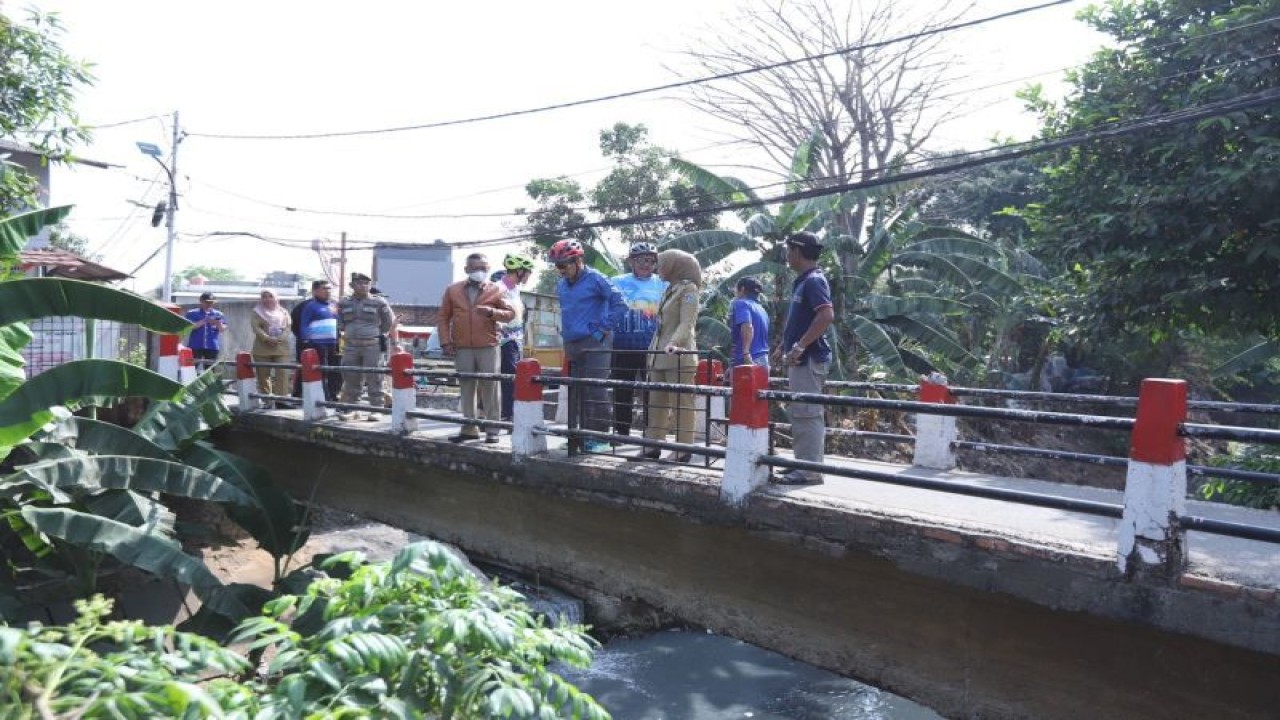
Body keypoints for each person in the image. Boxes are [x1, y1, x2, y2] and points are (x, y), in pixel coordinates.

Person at [548, 239, 627, 454]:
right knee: (578, 390)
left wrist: (603, 329)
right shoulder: (562, 284)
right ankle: (581, 434)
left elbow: (620, 304)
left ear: (578, 260)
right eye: (557, 266)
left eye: (563, 265)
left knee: (596, 388)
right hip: (572, 343)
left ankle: (600, 437)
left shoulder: (597, 279)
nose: (560, 270)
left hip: (595, 341)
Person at [776, 231, 834, 485]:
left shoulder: (813, 281)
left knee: (808, 413)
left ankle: (809, 471)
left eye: (789, 250)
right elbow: (799, 322)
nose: (787, 256)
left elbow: (826, 316)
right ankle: (802, 464)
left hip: (808, 359)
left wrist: (799, 347)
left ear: (797, 251)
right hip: (801, 358)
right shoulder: (802, 281)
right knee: (801, 412)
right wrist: (783, 346)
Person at [437, 253, 514, 444]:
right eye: (475, 268)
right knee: (467, 388)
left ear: (488, 270)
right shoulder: (452, 290)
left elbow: (510, 314)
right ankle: (469, 429)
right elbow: (443, 318)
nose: (480, 271)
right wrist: (446, 342)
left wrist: (492, 312)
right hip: (462, 346)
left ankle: (492, 430)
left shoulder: (496, 289)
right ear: (466, 269)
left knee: (491, 387)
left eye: (484, 268)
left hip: (488, 346)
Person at [641, 249, 702, 462]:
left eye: (662, 263)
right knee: (656, 403)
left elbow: (688, 323)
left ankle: (683, 449)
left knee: (681, 404)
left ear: (675, 265)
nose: (658, 268)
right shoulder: (670, 290)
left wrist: (674, 343)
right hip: (659, 356)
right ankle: (652, 445)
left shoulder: (689, 289)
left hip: (678, 355)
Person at [610, 242, 667, 436]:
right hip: (622, 346)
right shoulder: (616, 281)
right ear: (631, 262)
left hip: (652, 348)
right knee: (622, 391)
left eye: (651, 261)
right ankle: (621, 432)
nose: (647, 264)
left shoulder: (663, 283)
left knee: (651, 393)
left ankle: (651, 435)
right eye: (642, 260)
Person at [337, 272, 395, 420]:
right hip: (351, 346)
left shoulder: (379, 302)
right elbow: (340, 321)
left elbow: (389, 322)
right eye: (359, 283)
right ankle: (353, 409)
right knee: (351, 377)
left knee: (375, 377)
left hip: (372, 345)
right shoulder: (344, 302)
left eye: (366, 283)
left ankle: (376, 409)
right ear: (352, 285)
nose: (363, 286)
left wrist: (376, 334)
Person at [494, 253, 535, 422]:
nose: (529, 275)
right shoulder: (498, 288)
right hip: (503, 340)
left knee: (513, 376)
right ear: (519, 270)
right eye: (527, 272)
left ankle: (508, 412)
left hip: (516, 340)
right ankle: (506, 413)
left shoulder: (516, 290)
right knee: (507, 377)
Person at [298, 279, 342, 400]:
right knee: (322, 370)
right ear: (315, 291)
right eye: (324, 288)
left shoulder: (334, 305)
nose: (328, 291)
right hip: (317, 343)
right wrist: (306, 340)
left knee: (336, 370)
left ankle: (334, 394)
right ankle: (323, 396)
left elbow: (340, 323)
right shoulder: (310, 306)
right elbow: (304, 324)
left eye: (329, 288)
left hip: (334, 343)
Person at [250, 288, 291, 406]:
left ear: (276, 298)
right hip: (262, 348)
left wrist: (280, 338)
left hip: (280, 347)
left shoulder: (283, 312)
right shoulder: (256, 312)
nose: (267, 299)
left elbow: (288, 327)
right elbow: (256, 328)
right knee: (263, 375)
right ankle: (267, 400)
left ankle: (281, 401)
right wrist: (267, 338)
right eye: (264, 296)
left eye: (270, 296)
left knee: (283, 372)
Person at [730, 276, 770, 371]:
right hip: (763, 359)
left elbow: (747, 326)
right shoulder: (762, 310)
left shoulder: (741, 303)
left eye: (736, 289)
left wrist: (746, 353)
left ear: (742, 289)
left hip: (748, 360)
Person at [185, 292, 227, 371]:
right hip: (195, 345)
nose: (209, 304)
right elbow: (188, 328)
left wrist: (217, 323)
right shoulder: (192, 313)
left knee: (210, 371)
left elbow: (222, 329)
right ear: (201, 301)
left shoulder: (219, 314)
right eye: (207, 302)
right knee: (191, 369)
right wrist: (205, 321)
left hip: (212, 346)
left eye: (211, 302)